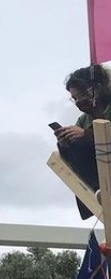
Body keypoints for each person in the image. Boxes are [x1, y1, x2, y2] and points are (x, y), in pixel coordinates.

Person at [55, 64, 111, 218]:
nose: (79, 101)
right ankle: (95, 192)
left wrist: (86, 134)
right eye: (75, 98)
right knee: (68, 144)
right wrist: (65, 140)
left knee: (80, 140)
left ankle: (101, 189)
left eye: (81, 95)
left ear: (97, 89)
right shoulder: (84, 119)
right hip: (97, 173)